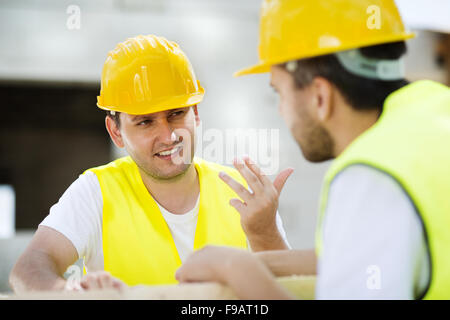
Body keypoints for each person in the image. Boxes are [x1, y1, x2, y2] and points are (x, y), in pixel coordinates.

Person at [176, 0, 450, 299]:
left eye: (279, 92)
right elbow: (369, 257)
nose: (280, 110)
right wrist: (263, 259)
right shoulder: (435, 107)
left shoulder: (371, 175)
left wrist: (235, 269)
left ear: (319, 96)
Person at [9, 35, 290, 294]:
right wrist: (71, 294)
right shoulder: (95, 192)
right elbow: (30, 268)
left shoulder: (242, 193)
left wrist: (266, 233)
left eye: (176, 114)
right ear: (115, 131)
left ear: (195, 113)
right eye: (145, 122)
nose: (168, 136)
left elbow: (290, 291)